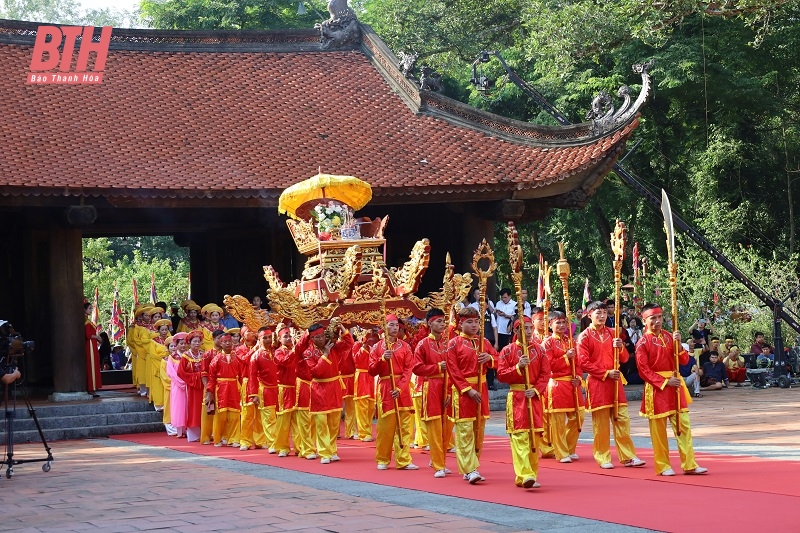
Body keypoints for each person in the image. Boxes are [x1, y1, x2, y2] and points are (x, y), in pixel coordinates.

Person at [636, 303, 707, 476]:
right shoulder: (642, 343)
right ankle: (663, 465)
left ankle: (689, 464)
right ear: (644, 320)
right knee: (659, 431)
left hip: (675, 387)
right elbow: (643, 371)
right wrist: (665, 382)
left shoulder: (670, 337)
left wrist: (679, 345)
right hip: (656, 389)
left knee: (684, 426)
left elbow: (684, 361)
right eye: (653, 318)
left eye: (660, 317)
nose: (657, 321)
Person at [576, 301, 645, 470]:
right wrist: (605, 373)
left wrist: (620, 347)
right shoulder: (584, 336)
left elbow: (623, 359)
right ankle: (602, 456)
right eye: (598, 313)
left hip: (615, 383)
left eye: (605, 313)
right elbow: (583, 362)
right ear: (589, 315)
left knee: (622, 419)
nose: (602, 316)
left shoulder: (613, 333)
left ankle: (628, 456)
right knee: (601, 424)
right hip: (598, 383)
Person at [446, 306, 498, 484]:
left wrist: (489, 360)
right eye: (469, 322)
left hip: (481, 387)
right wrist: (467, 389)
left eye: (477, 322)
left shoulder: (484, 342)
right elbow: (453, 370)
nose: (474, 325)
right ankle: (469, 468)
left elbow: (498, 359)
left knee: (479, 430)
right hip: (464, 392)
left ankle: (473, 465)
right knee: (465, 431)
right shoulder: (453, 343)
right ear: (460, 324)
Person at [496, 316, 549, 489]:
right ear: (516, 330)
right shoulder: (507, 350)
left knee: (534, 436)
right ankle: (525, 474)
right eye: (523, 328)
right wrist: (518, 367)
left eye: (529, 328)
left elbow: (545, 374)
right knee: (519, 437)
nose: (527, 332)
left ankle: (531, 474)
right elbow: (501, 374)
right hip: (517, 397)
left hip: (533, 397)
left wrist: (536, 390)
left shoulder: (540, 351)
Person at [300, 323, 353, 464]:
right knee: (321, 422)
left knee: (334, 422)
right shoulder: (308, 353)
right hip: (319, 388)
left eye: (323, 335)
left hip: (334, 386)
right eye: (317, 337)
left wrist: (343, 329)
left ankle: (332, 450)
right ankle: (324, 452)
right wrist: (325, 355)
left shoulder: (333, 346)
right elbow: (315, 372)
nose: (321, 339)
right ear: (311, 339)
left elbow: (348, 344)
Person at [369, 314, 417, 470]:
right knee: (385, 427)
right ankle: (382, 458)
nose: (395, 328)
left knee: (404, 426)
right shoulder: (377, 348)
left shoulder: (405, 346)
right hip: (386, 388)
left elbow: (409, 368)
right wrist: (382, 359)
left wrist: (400, 387)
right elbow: (371, 370)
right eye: (391, 325)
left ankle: (403, 459)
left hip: (401, 388)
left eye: (397, 325)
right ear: (384, 328)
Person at [412, 309, 455, 478]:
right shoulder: (422, 344)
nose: (442, 324)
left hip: (448, 386)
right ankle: (438, 465)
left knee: (447, 427)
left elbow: (454, 368)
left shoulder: (448, 343)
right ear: (430, 323)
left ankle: (440, 459)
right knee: (435, 426)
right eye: (438, 321)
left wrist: (451, 389)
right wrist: (437, 368)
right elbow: (417, 368)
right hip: (431, 387)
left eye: (444, 321)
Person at [542, 311, 585, 464]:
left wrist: (578, 378)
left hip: (572, 384)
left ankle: (569, 447)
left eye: (563, 323)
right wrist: (566, 357)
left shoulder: (572, 341)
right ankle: (561, 452)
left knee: (579, 416)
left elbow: (579, 364)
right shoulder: (547, 343)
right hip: (557, 384)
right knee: (558, 422)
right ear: (550, 324)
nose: (561, 326)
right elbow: (548, 365)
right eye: (557, 322)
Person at [206, 330, 244, 448]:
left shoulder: (237, 358)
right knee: (220, 416)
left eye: (229, 341)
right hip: (221, 389)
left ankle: (234, 438)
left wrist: (243, 389)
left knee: (234, 414)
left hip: (234, 387)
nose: (228, 344)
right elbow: (211, 378)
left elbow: (242, 375)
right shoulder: (216, 359)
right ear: (220, 344)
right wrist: (209, 392)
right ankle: (218, 438)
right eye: (225, 342)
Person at [247, 327, 279, 451]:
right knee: (269, 418)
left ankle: (279, 442)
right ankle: (272, 443)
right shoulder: (255, 356)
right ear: (259, 339)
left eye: (269, 337)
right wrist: (254, 394)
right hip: (265, 390)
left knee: (279, 417)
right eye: (264, 338)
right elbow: (252, 376)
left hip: (279, 389)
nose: (267, 340)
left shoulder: (277, 351)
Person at [273, 325, 300, 457]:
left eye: (290, 336)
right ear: (279, 339)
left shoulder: (296, 351)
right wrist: (295, 350)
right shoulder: (278, 352)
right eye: (286, 336)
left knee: (298, 421)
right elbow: (284, 362)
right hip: (284, 389)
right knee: (283, 420)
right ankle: (282, 447)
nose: (289, 338)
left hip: (297, 388)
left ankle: (299, 447)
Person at [177, 330, 204, 442]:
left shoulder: (203, 354)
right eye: (194, 341)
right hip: (192, 387)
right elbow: (181, 372)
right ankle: (194, 435)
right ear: (190, 343)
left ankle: (205, 432)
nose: (197, 343)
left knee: (204, 408)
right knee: (193, 408)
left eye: (199, 341)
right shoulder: (186, 356)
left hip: (204, 385)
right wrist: (195, 377)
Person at [353, 327, 379, 442]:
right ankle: (363, 433)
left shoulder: (376, 346)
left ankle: (367, 431)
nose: (372, 335)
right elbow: (357, 360)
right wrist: (363, 346)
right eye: (369, 333)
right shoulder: (357, 346)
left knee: (371, 406)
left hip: (371, 377)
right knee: (362, 406)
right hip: (362, 377)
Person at [166, 332, 189, 438]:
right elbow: (171, 372)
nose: (183, 346)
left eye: (185, 343)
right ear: (177, 345)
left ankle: (189, 430)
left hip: (189, 385)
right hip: (177, 385)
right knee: (178, 406)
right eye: (181, 344)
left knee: (188, 407)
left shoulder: (190, 356)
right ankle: (180, 431)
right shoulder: (172, 357)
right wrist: (181, 382)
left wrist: (188, 381)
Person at [160, 336, 177, 436]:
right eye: (171, 346)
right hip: (170, 388)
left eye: (175, 346)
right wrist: (175, 384)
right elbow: (165, 377)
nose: (173, 348)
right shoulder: (164, 361)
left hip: (181, 388)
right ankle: (170, 427)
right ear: (167, 348)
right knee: (169, 406)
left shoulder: (182, 358)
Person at [83, 301, 102, 395]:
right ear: (84, 310)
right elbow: (88, 335)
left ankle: (93, 387)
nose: (91, 310)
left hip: (92, 344)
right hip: (89, 345)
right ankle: (91, 388)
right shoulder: (86, 321)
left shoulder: (87, 320)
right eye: (89, 308)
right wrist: (97, 337)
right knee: (91, 365)